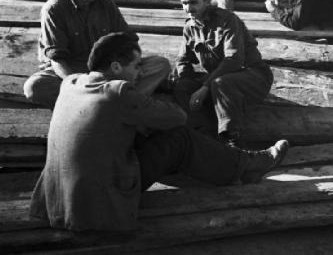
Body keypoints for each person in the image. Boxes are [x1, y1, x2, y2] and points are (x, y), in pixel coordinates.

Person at [29, 32, 288, 232]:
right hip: (101, 200)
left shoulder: (71, 83)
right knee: (180, 138)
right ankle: (247, 165)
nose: (139, 72)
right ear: (117, 67)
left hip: (56, 201)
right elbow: (177, 117)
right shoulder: (118, 91)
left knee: (149, 135)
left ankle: (234, 166)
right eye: (136, 65)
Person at [22, 0, 171, 109]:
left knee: (160, 64)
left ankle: (110, 105)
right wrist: (79, 85)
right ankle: (120, 104)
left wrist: (131, 67)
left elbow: (129, 41)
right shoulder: (54, 9)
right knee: (35, 87)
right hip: (71, 72)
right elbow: (57, 60)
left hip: (107, 72)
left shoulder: (106, 5)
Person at [174, 0, 274, 147]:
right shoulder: (190, 27)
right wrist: (184, 79)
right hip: (219, 82)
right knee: (181, 86)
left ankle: (231, 140)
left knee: (220, 83)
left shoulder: (227, 20)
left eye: (193, 2)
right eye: (184, 3)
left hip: (253, 77)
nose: (188, 9)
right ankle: (202, 134)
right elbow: (183, 60)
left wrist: (204, 87)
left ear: (207, 1)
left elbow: (234, 60)